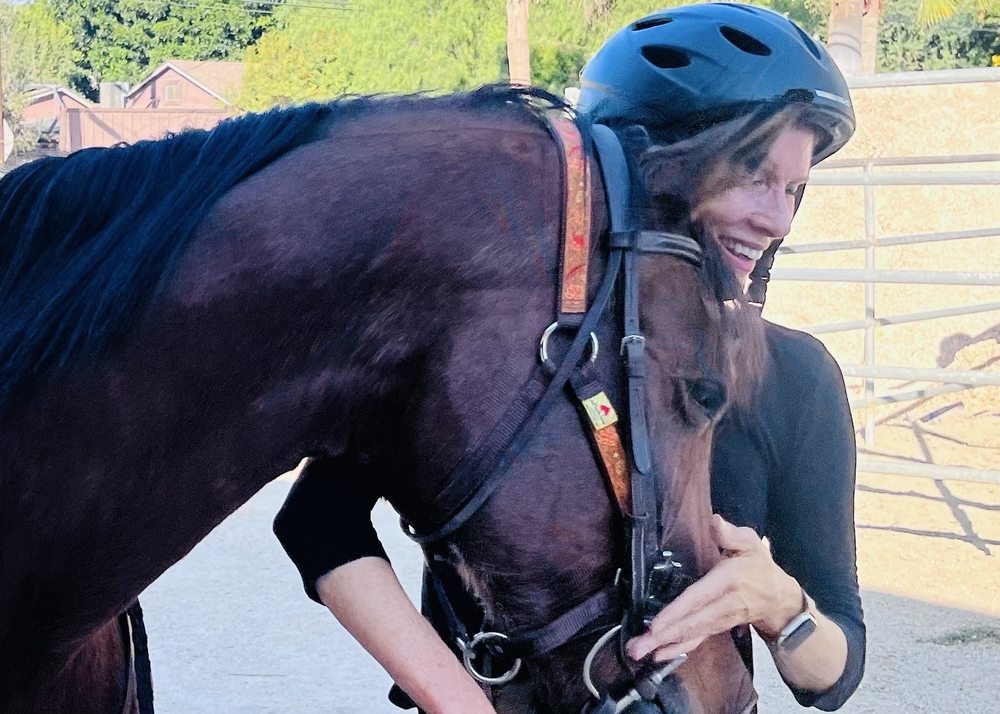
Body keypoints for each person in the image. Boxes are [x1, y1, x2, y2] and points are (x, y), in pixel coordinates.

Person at [273, 4, 865, 712]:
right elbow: (317, 523)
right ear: (646, 171)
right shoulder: (489, 352)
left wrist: (779, 604)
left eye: (795, 189)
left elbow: (834, 672)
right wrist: (457, 700)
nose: (779, 220)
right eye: (753, 175)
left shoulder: (794, 377)